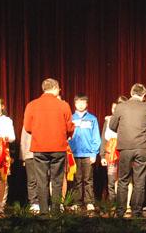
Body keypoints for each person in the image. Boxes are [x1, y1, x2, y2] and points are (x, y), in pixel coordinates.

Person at [109, 83, 146, 218]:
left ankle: (120, 212)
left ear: (131, 93)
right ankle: (137, 212)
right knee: (139, 181)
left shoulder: (121, 107)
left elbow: (112, 126)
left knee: (123, 180)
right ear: (144, 95)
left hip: (125, 148)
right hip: (141, 148)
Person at [22, 78, 75, 213]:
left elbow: (27, 127)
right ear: (55, 88)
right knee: (57, 180)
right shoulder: (63, 105)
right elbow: (70, 127)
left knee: (41, 180)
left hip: (39, 148)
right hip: (58, 147)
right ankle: (56, 211)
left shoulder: (32, 105)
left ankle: (44, 212)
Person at [68, 93, 101, 212]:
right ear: (75, 104)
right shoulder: (71, 118)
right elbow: (67, 136)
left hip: (88, 154)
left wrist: (94, 153)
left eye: (83, 102)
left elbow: (96, 137)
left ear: (87, 104)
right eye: (78, 102)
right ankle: (76, 202)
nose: (80, 104)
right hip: (74, 154)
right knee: (76, 179)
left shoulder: (92, 119)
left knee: (88, 179)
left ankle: (89, 202)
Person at [101, 96, 127, 203]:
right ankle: (112, 203)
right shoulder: (108, 120)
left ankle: (122, 203)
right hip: (110, 152)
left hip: (123, 152)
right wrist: (102, 155)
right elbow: (104, 138)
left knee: (122, 179)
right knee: (111, 179)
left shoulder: (127, 120)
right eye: (113, 108)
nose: (115, 110)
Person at [19, 128, 39, 213]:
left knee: (43, 180)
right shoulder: (27, 123)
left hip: (42, 154)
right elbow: (23, 140)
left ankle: (43, 202)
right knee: (32, 180)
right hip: (29, 154)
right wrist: (23, 156)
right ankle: (34, 203)